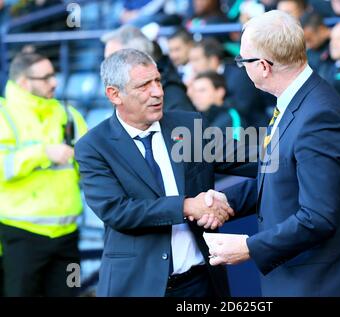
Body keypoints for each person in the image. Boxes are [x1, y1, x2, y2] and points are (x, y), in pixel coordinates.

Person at [207, 10, 340, 297]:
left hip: (324, 283)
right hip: (304, 278)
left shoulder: (318, 115)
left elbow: (317, 217)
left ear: (263, 66)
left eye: (243, 60)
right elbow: (282, 174)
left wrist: (249, 247)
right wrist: (228, 202)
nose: (242, 66)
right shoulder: (298, 101)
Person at [74, 49, 257, 297]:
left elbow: (248, 155)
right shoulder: (94, 146)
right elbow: (118, 211)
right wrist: (186, 206)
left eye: (158, 81)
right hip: (137, 286)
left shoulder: (187, 125)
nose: (158, 92)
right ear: (114, 94)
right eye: (144, 85)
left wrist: (298, 147)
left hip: (201, 284)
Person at [0, 52, 88, 296]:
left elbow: (91, 163)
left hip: (68, 235)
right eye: (46, 77)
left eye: (54, 74)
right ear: (24, 83)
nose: (55, 82)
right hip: (21, 235)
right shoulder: (3, 114)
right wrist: (42, 153)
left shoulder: (68, 114)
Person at [102, 25, 195, 112]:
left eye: (114, 61)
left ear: (139, 59)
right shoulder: (124, 100)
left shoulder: (172, 97)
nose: (106, 69)